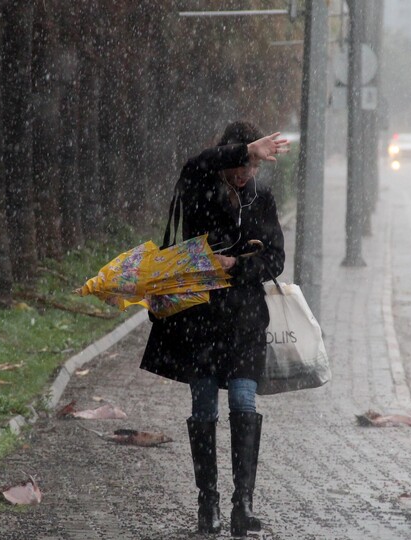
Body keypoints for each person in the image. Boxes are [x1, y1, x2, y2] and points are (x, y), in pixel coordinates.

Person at [140, 121, 289, 536]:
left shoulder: (262, 199)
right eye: (243, 163)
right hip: (200, 321)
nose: (246, 173)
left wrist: (238, 265)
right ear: (230, 157)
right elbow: (195, 161)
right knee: (203, 408)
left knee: (244, 402)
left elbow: (275, 259)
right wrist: (245, 150)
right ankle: (209, 503)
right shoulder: (201, 187)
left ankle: (243, 503)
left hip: (244, 321)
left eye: (254, 166)